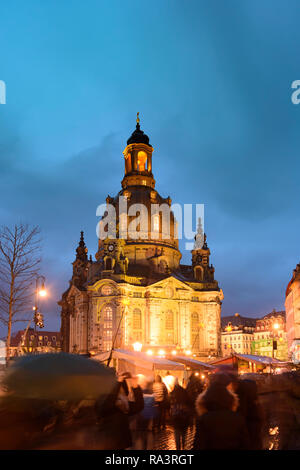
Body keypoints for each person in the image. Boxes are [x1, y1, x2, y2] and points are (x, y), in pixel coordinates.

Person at [193, 373, 250, 450]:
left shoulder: (203, 420)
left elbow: (199, 445)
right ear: (229, 399)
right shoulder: (238, 418)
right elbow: (245, 445)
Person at [95, 375, 144, 450]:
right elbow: (107, 405)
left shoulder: (124, 403)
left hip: (122, 443)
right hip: (108, 443)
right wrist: (118, 383)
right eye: (119, 388)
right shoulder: (103, 400)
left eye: (122, 387)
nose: (122, 390)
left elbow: (139, 406)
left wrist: (135, 385)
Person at [169, 378, 191, 450]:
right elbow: (189, 403)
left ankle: (178, 448)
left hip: (176, 417)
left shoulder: (172, 393)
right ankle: (184, 446)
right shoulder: (184, 391)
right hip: (184, 416)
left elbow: (170, 405)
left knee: (177, 434)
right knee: (183, 434)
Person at [135, 380, 157, 450]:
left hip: (141, 413)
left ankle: (139, 443)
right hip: (148, 414)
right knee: (145, 431)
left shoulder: (141, 392)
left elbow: (138, 401)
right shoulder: (152, 393)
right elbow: (153, 403)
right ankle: (144, 444)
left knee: (140, 430)